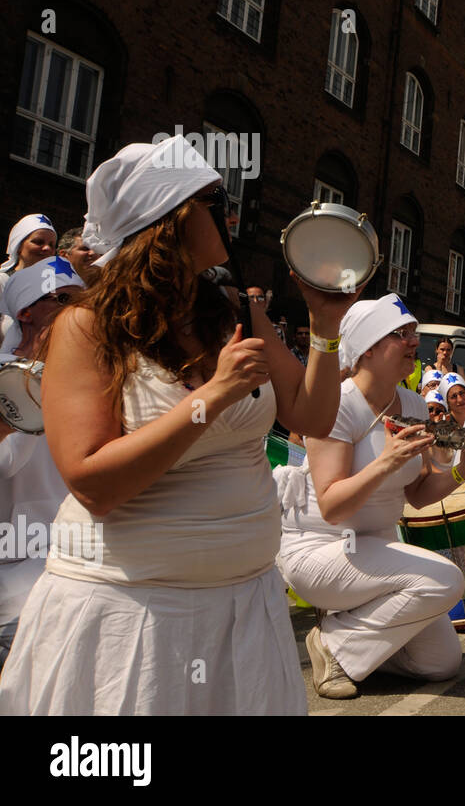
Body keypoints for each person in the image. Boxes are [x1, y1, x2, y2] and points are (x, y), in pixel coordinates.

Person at [0, 136, 357, 716]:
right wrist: (211, 399)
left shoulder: (232, 311)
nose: (232, 210)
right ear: (165, 219)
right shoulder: (86, 329)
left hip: (242, 611)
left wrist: (325, 326)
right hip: (134, 617)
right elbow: (92, 482)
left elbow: (311, 414)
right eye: (214, 197)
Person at [277, 294, 465, 699]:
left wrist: (464, 471)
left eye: (414, 334)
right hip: (320, 549)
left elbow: (416, 495)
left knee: (440, 663)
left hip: (376, 551)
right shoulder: (337, 403)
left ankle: (354, 634)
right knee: (446, 579)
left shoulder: (411, 402)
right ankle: (333, 646)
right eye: (402, 334)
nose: (415, 343)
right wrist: (385, 463)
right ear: (369, 348)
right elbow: (331, 506)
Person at [0, 258, 86, 671]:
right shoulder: (4, 376)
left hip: (73, 564)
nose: (78, 313)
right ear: (26, 312)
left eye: (85, 304)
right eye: (63, 300)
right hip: (16, 579)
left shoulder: (92, 381)